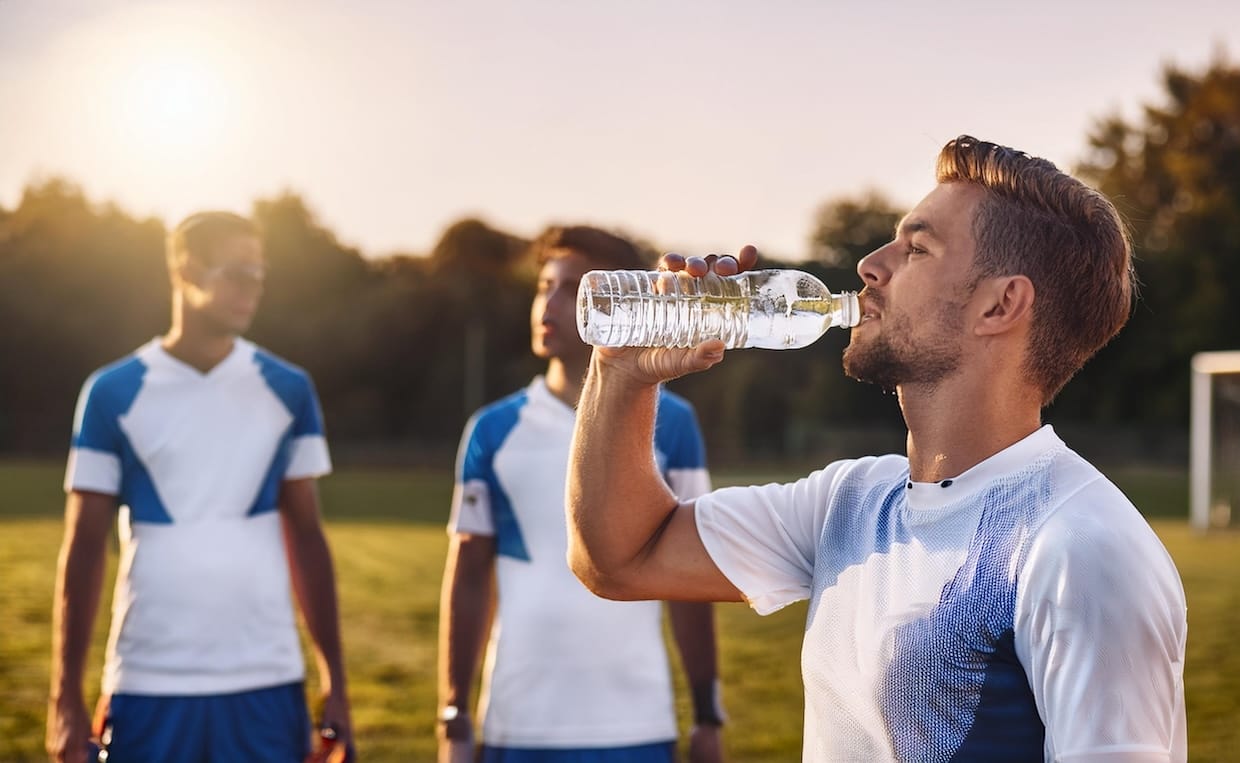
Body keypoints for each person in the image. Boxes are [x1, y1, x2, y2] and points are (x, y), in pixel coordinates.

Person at [565, 136, 1188, 761]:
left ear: (1000, 304)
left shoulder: (1080, 547)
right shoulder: (853, 501)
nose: (870, 264)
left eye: (917, 247)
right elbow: (620, 557)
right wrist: (621, 373)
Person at [47, 211, 354, 763]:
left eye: (259, 274)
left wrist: (335, 679)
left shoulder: (288, 389)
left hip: (267, 679)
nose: (252, 288)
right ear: (186, 270)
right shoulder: (112, 393)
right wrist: (64, 697)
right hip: (149, 681)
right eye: (237, 272)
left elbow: (308, 536)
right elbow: (84, 547)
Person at [437, 225, 727, 763]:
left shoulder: (675, 423)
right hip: (518, 722)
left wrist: (708, 715)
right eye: (545, 284)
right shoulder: (492, 430)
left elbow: (692, 579)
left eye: (574, 287)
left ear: (625, 300)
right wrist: (453, 716)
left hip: (635, 721)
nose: (549, 301)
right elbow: (468, 575)